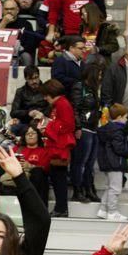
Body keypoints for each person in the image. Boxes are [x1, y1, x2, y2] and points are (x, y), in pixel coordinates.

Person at [40, 79, 75, 217]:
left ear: (51, 93)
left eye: (46, 95)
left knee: (59, 178)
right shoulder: (59, 104)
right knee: (56, 178)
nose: (45, 98)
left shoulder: (62, 104)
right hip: (56, 144)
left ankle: (61, 208)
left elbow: (68, 125)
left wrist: (48, 126)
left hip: (60, 146)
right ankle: (60, 207)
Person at [70, 62, 103, 203]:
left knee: (90, 163)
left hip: (94, 128)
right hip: (83, 128)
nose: (101, 77)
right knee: (80, 162)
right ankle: (77, 190)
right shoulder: (79, 87)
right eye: (100, 74)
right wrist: (77, 127)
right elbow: (75, 109)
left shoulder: (94, 89)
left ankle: (88, 188)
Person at [96, 103, 128, 221]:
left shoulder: (108, 128)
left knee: (110, 187)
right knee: (116, 188)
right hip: (115, 163)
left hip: (107, 162)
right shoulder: (118, 130)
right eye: (126, 117)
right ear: (119, 117)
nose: (127, 120)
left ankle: (103, 210)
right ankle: (112, 212)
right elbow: (119, 148)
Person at [13, 125, 52, 206]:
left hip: (37, 179)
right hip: (19, 175)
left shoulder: (44, 151)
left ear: (38, 135)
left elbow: (46, 168)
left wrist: (30, 166)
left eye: (33, 133)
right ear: (24, 136)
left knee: (38, 172)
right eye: (27, 134)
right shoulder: (17, 149)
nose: (30, 135)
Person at [9, 66, 48, 137]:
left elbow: (51, 107)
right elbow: (13, 112)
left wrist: (41, 114)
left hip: (43, 121)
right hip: (25, 122)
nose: (34, 81)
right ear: (26, 79)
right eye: (30, 79)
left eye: (36, 77)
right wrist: (28, 113)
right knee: (14, 128)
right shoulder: (20, 92)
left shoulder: (46, 89)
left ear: (39, 76)